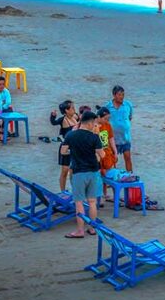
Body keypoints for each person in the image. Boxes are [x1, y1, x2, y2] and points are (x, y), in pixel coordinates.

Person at [63, 110, 106, 238]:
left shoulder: (71, 135)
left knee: (79, 202)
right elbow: (102, 155)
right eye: (94, 123)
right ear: (90, 123)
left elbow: (63, 151)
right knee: (92, 202)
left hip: (78, 172)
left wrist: (74, 151)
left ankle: (80, 230)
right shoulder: (94, 137)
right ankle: (92, 228)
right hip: (93, 171)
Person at [50, 100, 79, 192]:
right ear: (66, 110)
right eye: (72, 108)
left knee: (73, 171)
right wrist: (53, 116)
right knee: (65, 171)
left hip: (75, 147)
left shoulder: (76, 117)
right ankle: (62, 191)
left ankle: (74, 190)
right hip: (65, 148)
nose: (74, 109)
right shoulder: (63, 120)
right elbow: (53, 122)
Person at [105, 85, 134, 172]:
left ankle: (130, 175)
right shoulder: (107, 107)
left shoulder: (128, 105)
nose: (121, 97)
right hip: (112, 139)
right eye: (119, 95)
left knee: (128, 157)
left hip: (125, 138)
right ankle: (112, 176)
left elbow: (130, 117)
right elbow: (103, 120)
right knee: (112, 160)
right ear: (114, 95)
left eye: (123, 94)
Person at [95, 107, 117, 200]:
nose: (107, 121)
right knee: (99, 175)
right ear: (99, 117)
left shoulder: (107, 125)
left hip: (107, 153)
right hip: (97, 154)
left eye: (108, 119)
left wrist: (115, 151)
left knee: (110, 174)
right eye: (105, 119)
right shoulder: (93, 126)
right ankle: (100, 196)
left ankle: (110, 195)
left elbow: (111, 139)